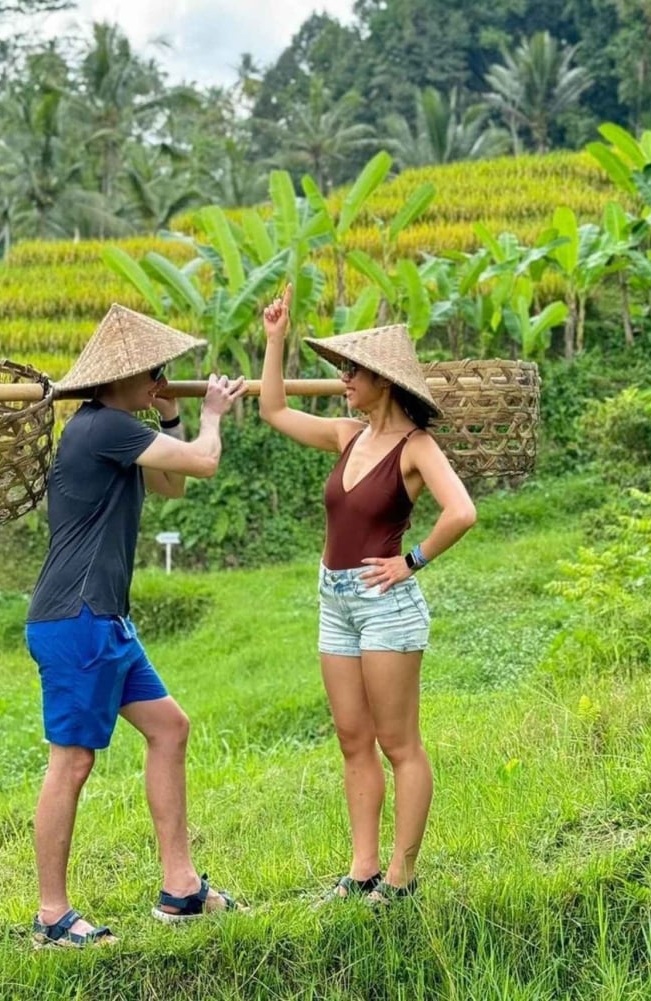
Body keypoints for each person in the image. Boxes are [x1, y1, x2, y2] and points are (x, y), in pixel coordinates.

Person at [24, 304, 246, 948]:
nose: (161, 379)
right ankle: (51, 915)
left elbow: (171, 485)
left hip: (105, 621)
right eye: (154, 372)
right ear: (120, 379)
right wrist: (210, 417)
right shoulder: (101, 428)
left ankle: (180, 889)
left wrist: (174, 414)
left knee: (170, 728)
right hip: (77, 620)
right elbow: (203, 464)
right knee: (72, 762)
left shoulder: (120, 429)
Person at [257, 286, 476, 907]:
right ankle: (362, 870)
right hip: (336, 601)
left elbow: (462, 512)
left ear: (383, 381)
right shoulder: (346, 435)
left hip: (386, 606)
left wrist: (412, 562)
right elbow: (274, 410)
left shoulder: (417, 448)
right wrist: (275, 340)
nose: (342, 379)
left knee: (397, 743)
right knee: (352, 738)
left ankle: (402, 878)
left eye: (351, 371)